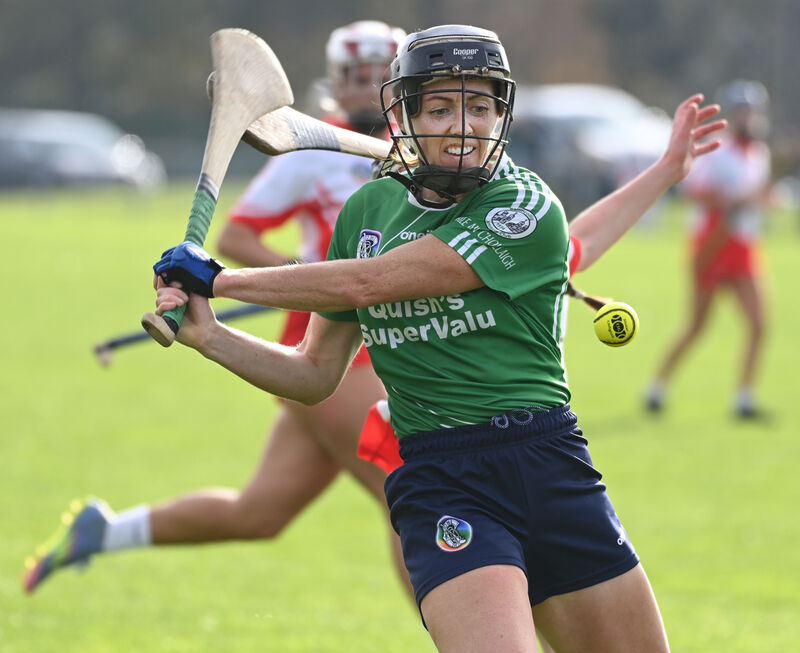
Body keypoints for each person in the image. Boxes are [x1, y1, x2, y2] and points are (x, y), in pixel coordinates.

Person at [143, 25, 725, 652]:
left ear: (502, 116)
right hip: (441, 480)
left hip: (548, 464)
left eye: (480, 107)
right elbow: (311, 375)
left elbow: (368, 283)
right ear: (406, 119)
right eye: (441, 108)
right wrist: (212, 337)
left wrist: (220, 281)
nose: (464, 126)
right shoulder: (366, 214)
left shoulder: (525, 205)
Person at [23, 20, 412, 596]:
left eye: (382, 76)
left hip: (388, 341)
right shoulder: (312, 150)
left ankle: (104, 531)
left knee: (259, 512)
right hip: (330, 347)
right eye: (357, 76)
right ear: (336, 82)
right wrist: (306, 274)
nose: (368, 87)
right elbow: (236, 236)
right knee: (411, 495)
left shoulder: (417, 152)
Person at [645, 79, 772, 419]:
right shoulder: (718, 150)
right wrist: (730, 201)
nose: (749, 117)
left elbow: (757, 197)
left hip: (743, 245)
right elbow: (694, 191)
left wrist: (764, 201)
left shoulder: (759, 153)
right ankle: (657, 386)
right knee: (697, 326)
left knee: (759, 324)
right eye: (743, 111)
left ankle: (744, 399)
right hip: (713, 244)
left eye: (752, 111)